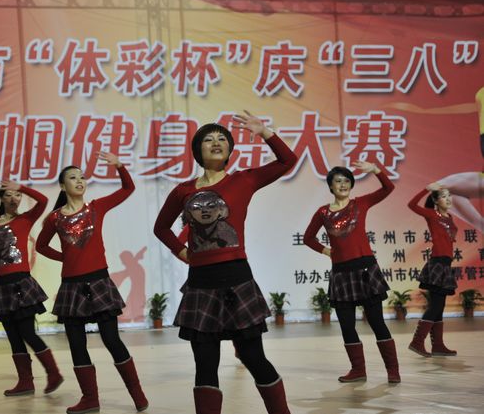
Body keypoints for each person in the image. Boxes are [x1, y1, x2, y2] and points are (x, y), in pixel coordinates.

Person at [154, 112, 296, 414]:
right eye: (208, 139)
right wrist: (182, 253)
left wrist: (265, 132)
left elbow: (287, 161)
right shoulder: (183, 191)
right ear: (198, 150)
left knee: (253, 357)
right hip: (200, 283)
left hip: (237, 278)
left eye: (222, 139)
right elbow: (161, 228)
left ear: (230, 150)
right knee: (205, 366)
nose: (216, 142)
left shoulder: (244, 180)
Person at [36, 152, 148, 414]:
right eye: (73, 177)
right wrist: (65, 257)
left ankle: (137, 394)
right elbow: (41, 246)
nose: (79, 181)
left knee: (112, 340)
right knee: (77, 345)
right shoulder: (54, 218)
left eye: (82, 177)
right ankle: (90, 399)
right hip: (71, 286)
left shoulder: (97, 207)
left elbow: (128, 189)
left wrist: (119, 166)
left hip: (99, 281)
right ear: (62, 186)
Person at [303, 161, 400, 384]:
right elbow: (308, 238)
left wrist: (376, 170)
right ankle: (358, 370)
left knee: (377, 323)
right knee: (347, 326)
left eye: (347, 180)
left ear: (352, 184)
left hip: (366, 269)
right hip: (341, 274)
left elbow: (388, 188)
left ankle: (393, 370)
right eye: (338, 181)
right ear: (330, 186)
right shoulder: (323, 212)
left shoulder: (361, 203)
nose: (343, 184)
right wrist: (327, 251)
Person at [0, 180, 62, 396]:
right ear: (2, 199)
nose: (14, 199)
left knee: (28, 333)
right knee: (13, 337)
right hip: (2, 286)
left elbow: (43, 201)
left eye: (18, 195)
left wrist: (21, 187)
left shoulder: (26, 219)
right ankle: (25, 382)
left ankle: (53, 373)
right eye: (9, 195)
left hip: (21, 283)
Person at [407, 184, 458, 357]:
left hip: (446, 264)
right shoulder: (431, 214)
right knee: (436, 305)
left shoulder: (449, 217)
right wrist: (426, 189)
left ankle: (438, 346)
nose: (448, 199)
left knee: (440, 306)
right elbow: (411, 205)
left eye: (449, 195)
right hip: (437, 264)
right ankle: (417, 342)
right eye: (443, 196)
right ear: (436, 201)